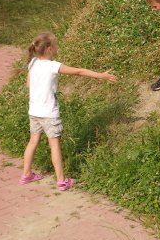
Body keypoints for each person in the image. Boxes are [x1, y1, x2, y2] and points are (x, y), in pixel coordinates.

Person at [20, 32, 117, 191]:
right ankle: (61, 181)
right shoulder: (53, 66)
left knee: (32, 142)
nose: (57, 48)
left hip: (34, 112)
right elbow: (79, 71)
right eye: (56, 45)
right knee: (54, 145)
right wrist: (101, 76)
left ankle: (26, 174)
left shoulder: (32, 63)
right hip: (49, 113)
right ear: (50, 49)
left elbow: (28, 85)